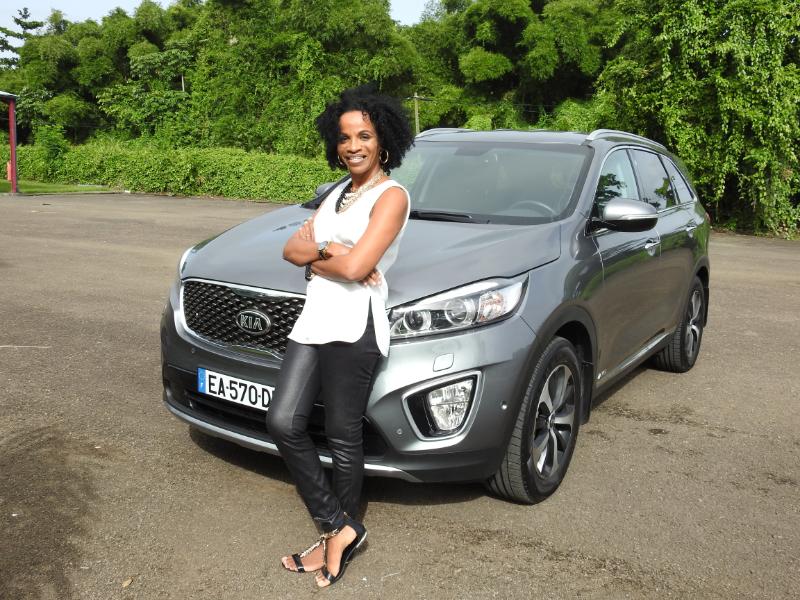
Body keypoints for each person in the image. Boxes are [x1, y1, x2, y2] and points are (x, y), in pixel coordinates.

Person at [266, 86, 414, 588]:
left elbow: (355, 268)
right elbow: (291, 250)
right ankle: (339, 526)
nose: (354, 146)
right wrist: (331, 252)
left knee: (342, 434)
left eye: (365, 136)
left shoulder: (392, 197)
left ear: (383, 140)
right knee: (283, 420)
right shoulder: (336, 193)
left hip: (355, 324)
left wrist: (320, 255)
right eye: (346, 137)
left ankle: (335, 539)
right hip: (315, 319)